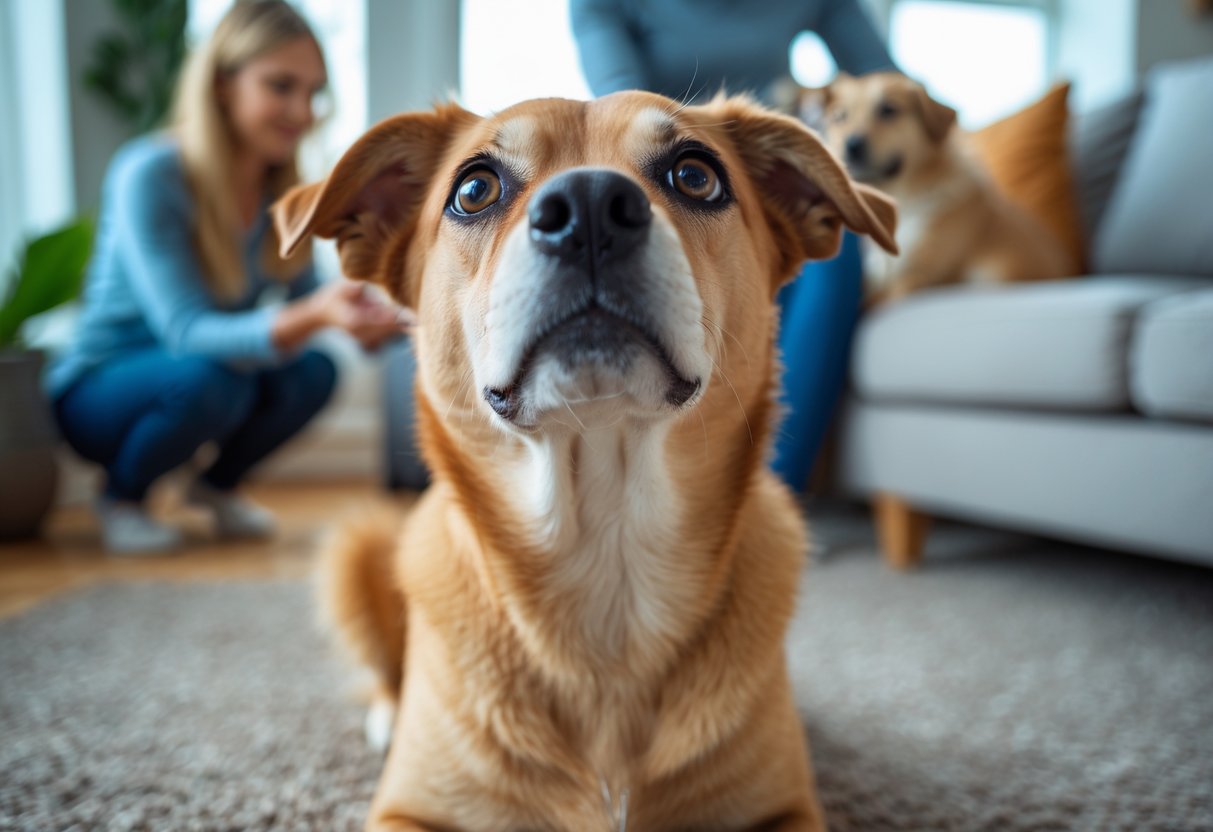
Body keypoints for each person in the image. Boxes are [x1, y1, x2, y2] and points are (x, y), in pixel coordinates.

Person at [45, 0, 408, 555]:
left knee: (314, 373)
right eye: (281, 86)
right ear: (222, 84)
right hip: (99, 389)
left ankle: (214, 488)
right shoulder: (149, 173)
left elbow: (309, 299)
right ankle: (121, 497)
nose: (303, 110)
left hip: (200, 373)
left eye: (313, 92)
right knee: (213, 379)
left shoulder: (276, 191)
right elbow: (188, 332)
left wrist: (380, 315)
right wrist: (315, 314)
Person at [570, 0, 895, 493]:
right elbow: (623, 100)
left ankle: (769, 491)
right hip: (662, 169)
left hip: (761, 165)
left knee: (830, 251)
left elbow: (885, 76)